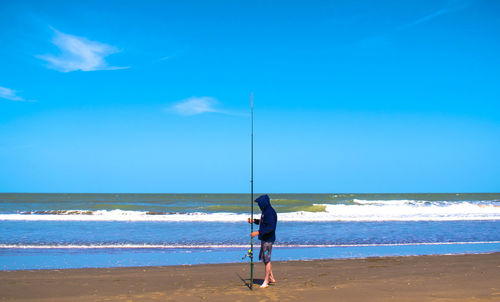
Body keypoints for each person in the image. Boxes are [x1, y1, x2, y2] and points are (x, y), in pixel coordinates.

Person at [248, 194, 277, 288]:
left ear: (264, 203)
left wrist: (257, 232)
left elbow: (270, 227)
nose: (259, 206)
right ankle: (271, 277)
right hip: (264, 239)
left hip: (268, 239)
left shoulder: (270, 212)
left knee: (267, 260)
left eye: (259, 203)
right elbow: (263, 222)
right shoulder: (265, 211)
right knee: (264, 258)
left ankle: (266, 281)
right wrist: (254, 221)